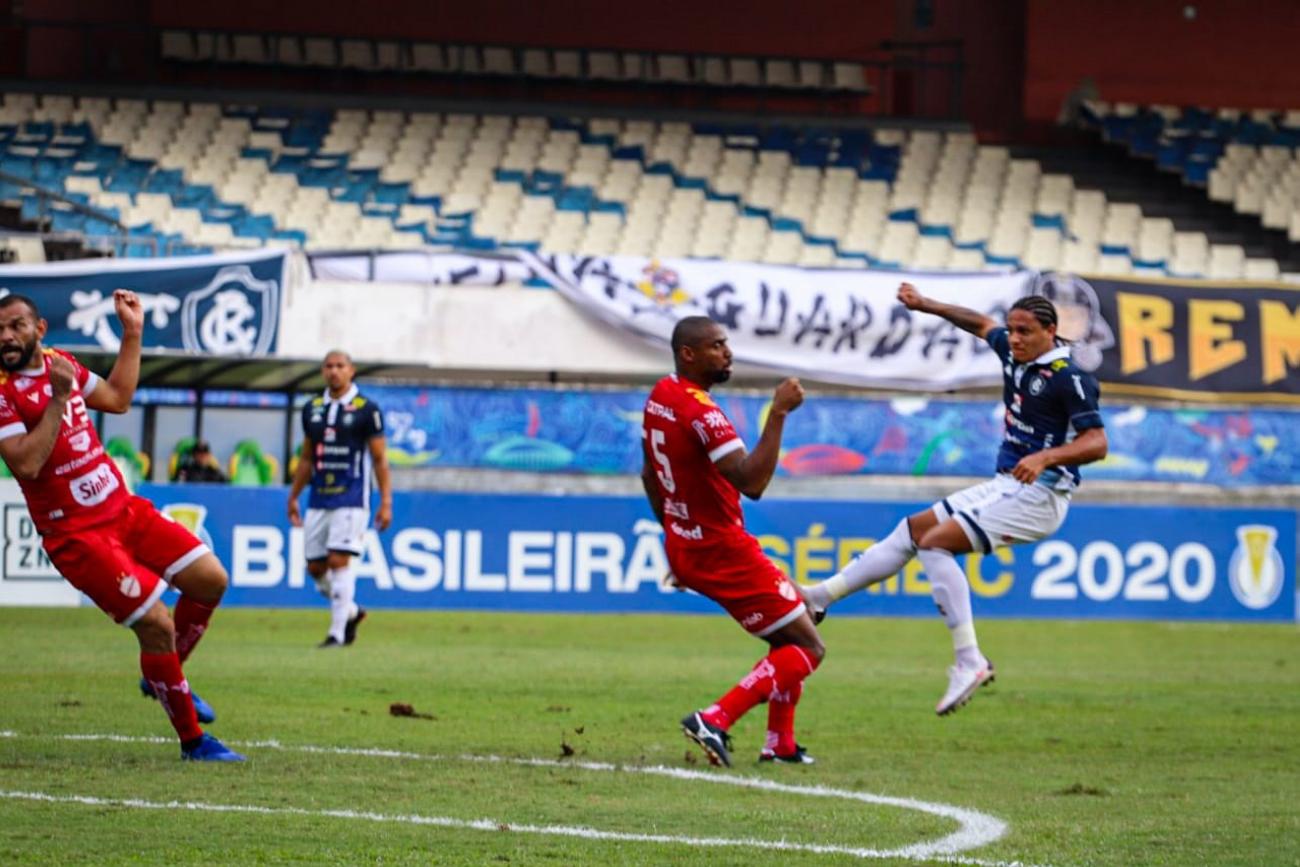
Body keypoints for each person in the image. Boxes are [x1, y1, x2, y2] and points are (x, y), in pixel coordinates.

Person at [802, 284, 1107, 716]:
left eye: (1025, 332)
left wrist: (1046, 457)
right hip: (1008, 484)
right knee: (913, 531)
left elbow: (1097, 443)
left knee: (935, 543)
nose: (1014, 338)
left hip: (1042, 495)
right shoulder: (1011, 351)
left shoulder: (1068, 378)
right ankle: (819, 597)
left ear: (1050, 331)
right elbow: (980, 324)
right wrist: (925, 304)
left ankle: (970, 660)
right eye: (1013, 330)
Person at [0, 291, 242, 761]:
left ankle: (165, 677)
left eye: (16, 325)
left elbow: (117, 398)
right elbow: (26, 465)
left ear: (39, 329)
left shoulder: (60, 362)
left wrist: (133, 333)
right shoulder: (4, 393)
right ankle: (195, 743)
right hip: (77, 535)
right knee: (156, 624)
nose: (7, 336)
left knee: (211, 580)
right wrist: (60, 398)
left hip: (124, 510)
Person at [642, 316, 825, 767]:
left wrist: (675, 536)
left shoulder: (661, 395)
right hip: (720, 548)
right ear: (689, 354)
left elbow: (650, 475)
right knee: (808, 646)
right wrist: (777, 412)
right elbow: (752, 482)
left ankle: (779, 743)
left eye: (726, 344)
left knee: (800, 618)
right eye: (716, 346)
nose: (727, 352)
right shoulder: (702, 413)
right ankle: (714, 718)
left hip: (693, 545)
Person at [287, 350, 391, 648]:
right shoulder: (313, 409)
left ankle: (336, 634)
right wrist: (294, 496)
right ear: (323, 371)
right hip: (319, 497)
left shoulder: (366, 409)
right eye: (329, 366)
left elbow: (380, 460)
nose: (334, 371)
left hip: (352, 495)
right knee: (316, 569)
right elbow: (307, 458)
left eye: (340, 366)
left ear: (351, 371)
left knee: (338, 560)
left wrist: (386, 502)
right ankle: (352, 612)